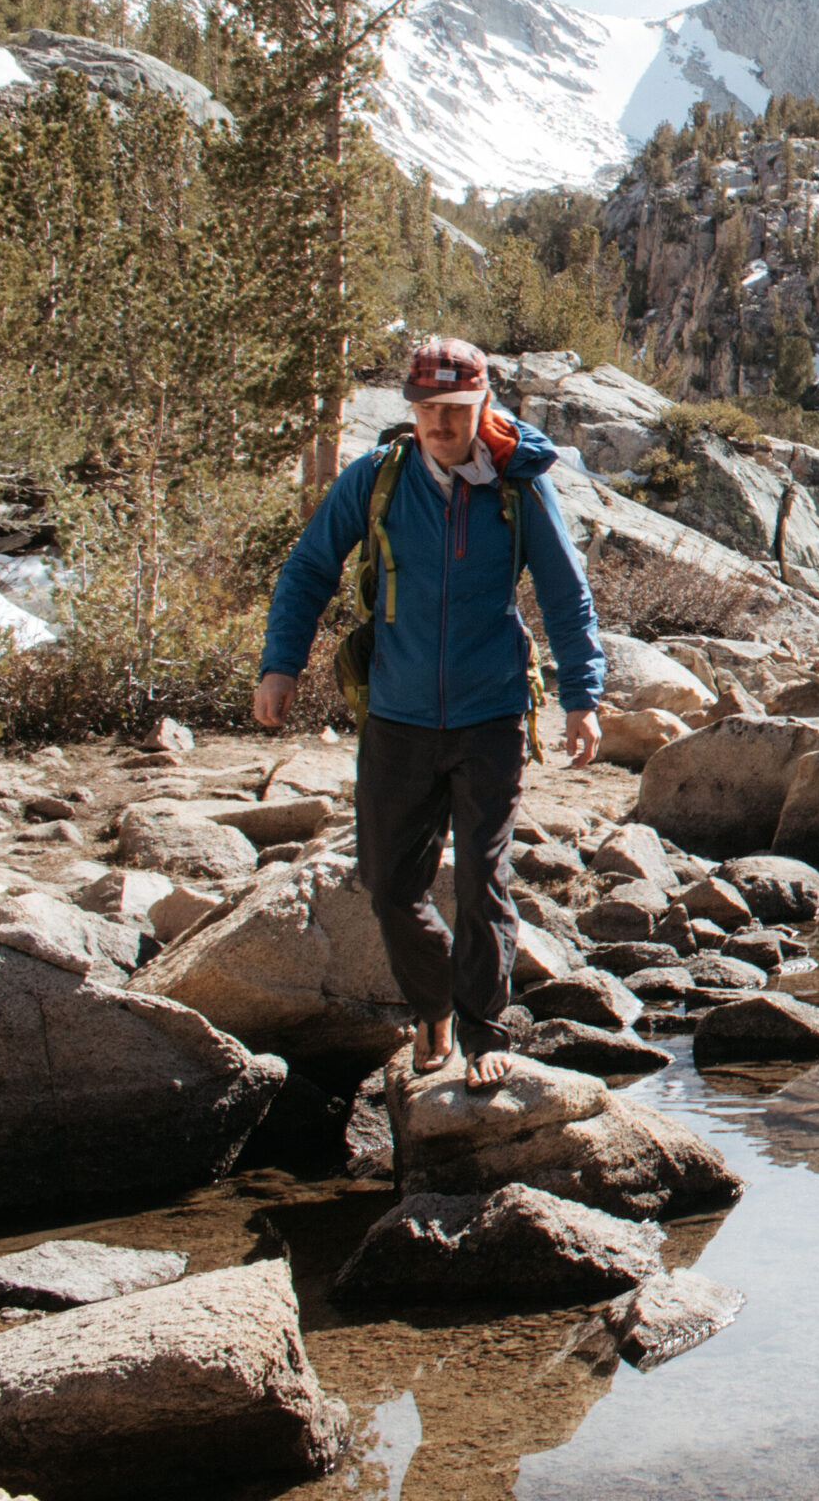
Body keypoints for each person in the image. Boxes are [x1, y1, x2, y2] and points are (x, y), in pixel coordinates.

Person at [254, 337, 606, 1083]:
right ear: (410, 409)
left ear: (484, 405)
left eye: (456, 409)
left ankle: (484, 1037)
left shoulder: (519, 487)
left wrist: (582, 698)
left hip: (491, 715)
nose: (441, 424)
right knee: (389, 887)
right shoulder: (377, 479)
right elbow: (310, 567)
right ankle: (434, 1004)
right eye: (427, 409)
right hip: (398, 715)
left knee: (483, 883)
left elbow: (565, 593)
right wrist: (280, 665)